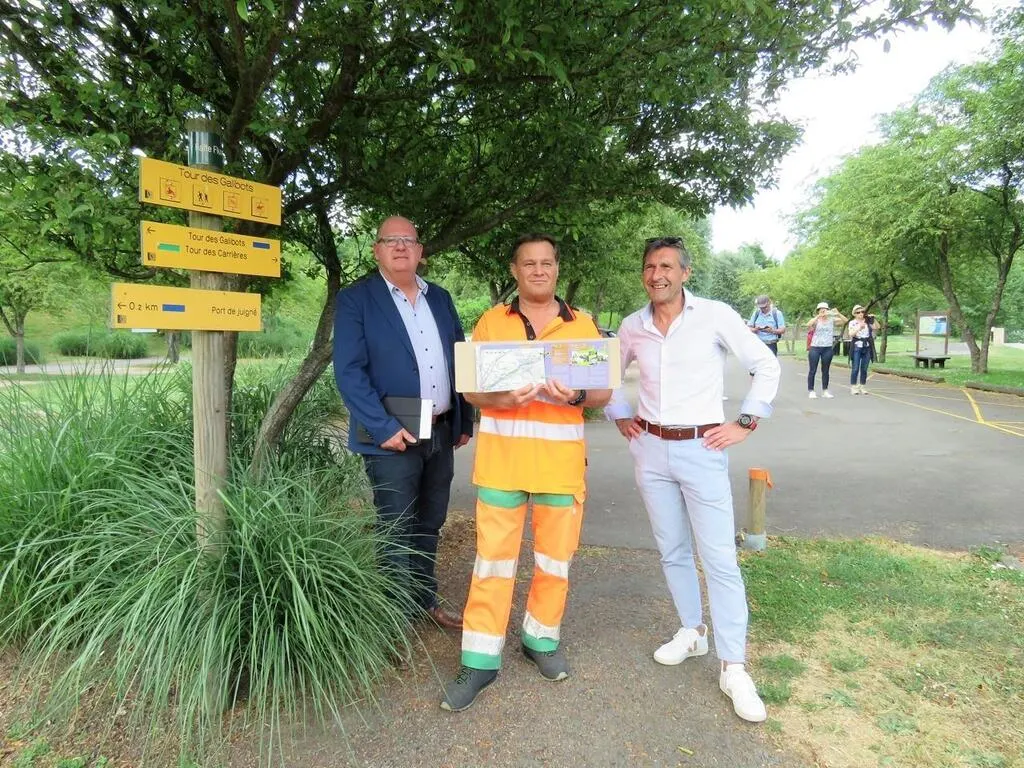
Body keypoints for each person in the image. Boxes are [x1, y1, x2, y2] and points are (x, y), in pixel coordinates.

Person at [606, 236, 781, 723]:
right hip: (650, 448)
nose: (656, 275)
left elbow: (765, 365)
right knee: (672, 549)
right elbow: (607, 374)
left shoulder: (715, 315)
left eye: (666, 266)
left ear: (685, 273)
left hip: (703, 448)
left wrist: (745, 422)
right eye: (649, 267)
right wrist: (620, 415)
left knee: (719, 558)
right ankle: (692, 631)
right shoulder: (633, 325)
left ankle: (734, 666)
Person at [441, 233, 612, 712]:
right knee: (492, 564)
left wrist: (576, 396)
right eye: (529, 263)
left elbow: (602, 392)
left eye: (546, 263)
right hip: (502, 465)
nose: (538, 270)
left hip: (560, 468)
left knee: (555, 562)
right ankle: (479, 660)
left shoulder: (582, 324)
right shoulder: (491, 321)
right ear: (514, 271)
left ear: (557, 268)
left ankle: (541, 640)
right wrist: (499, 398)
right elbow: (470, 390)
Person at [333, 215, 473, 631]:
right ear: (376, 250)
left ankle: (423, 600)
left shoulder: (440, 298)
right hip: (391, 433)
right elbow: (349, 372)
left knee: (430, 521)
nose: (400, 246)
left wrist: (464, 418)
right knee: (395, 526)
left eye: (408, 240)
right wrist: (383, 427)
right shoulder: (357, 299)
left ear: (420, 251)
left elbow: (459, 358)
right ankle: (392, 620)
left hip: (441, 429)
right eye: (390, 240)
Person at [805, 302, 847, 399]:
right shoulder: (816, 320)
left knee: (825, 370)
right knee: (812, 370)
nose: (823, 311)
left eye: (825, 309)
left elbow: (845, 321)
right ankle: (811, 390)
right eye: (821, 309)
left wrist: (838, 313)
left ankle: (825, 390)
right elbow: (808, 324)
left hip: (827, 348)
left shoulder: (832, 320)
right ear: (818, 311)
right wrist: (818, 316)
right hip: (815, 347)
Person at [847, 304, 880, 395]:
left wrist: (873, 319)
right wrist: (859, 327)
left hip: (867, 346)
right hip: (857, 346)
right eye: (858, 312)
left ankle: (862, 386)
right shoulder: (852, 323)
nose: (861, 314)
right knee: (855, 368)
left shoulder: (867, 321)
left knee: (864, 368)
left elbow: (877, 327)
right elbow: (851, 334)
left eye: (862, 312)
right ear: (854, 314)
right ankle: (854, 387)